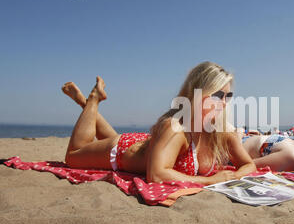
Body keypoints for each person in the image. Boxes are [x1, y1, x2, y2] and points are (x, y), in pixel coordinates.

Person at [62, 62, 256, 185]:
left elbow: (249, 165)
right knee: (73, 156)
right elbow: (156, 175)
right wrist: (210, 180)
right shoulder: (175, 129)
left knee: (104, 139)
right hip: (120, 151)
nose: (223, 103)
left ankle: (87, 107)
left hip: (151, 146)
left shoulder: (222, 134)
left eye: (227, 97)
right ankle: (93, 100)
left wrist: (236, 176)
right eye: (217, 95)